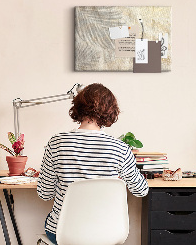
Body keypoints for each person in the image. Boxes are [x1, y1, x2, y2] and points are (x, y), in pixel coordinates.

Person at [37, 83, 149, 245]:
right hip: (107, 234)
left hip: (64, 235)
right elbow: (141, 190)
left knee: (53, 219)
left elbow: (45, 194)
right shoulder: (120, 149)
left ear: (78, 107)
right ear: (110, 111)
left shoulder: (57, 143)